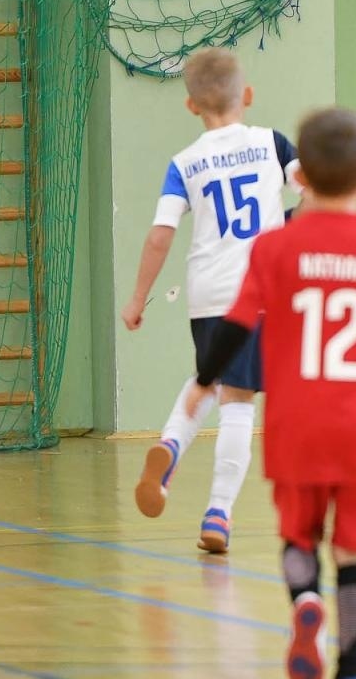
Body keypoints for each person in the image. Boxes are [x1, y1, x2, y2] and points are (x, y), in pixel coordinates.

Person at [188, 108, 356, 679]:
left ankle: (306, 598)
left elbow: (233, 329)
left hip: (298, 425)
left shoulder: (275, 247)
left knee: (298, 539)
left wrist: (203, 383)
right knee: (353, 557)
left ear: (300, 178)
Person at [125, 47, 300, 553]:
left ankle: (170, 443)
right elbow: (315, 190)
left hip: (205, 294)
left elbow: (160, 234)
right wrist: (288, 226)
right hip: (258, 289)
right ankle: (219, 513)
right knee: (239, 400)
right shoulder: (272, 144)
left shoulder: (184, 162)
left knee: (212, 375)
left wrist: (138, 298)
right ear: (246, 95)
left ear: (190, 106)